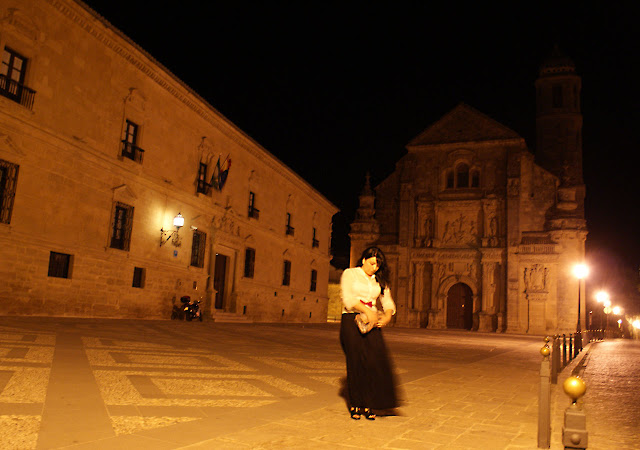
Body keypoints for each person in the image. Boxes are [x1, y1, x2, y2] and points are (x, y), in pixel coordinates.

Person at [340, 246, 399, 420]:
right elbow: (348, 298)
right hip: (351, 319)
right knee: (356, 362)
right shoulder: (350, 274)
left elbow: (387, 301)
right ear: (364, 259)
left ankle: (370, 404)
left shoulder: (379, 279)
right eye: (372, 263)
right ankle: (356, 404)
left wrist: (387, 316)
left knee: (374, 361)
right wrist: (367, 310)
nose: (375, 267)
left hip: (372, 322)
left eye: (378, 265)